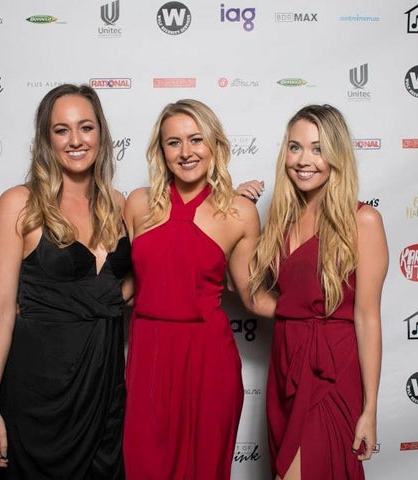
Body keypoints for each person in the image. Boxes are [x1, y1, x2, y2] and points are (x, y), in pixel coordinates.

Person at [0, 84, 131, 479]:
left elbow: (126, 284)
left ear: (101, 133)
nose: (76, 140)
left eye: (86, 127)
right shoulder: (20, 203)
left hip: (104, 387)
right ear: (46, 139)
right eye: (61, 130)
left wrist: (231, 199)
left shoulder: (118, 203)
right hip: (39, 392)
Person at [122, 99, 275, 479]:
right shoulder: (138, 205)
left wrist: (317, 311)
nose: (186, 152)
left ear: (215, 146)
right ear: (161, 150)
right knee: (143, 465)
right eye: (174, 142)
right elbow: (124, 286)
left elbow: (252, 296)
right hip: (149, 357)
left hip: (208, 362)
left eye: (196, 139)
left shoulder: (239, 212)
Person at [249, 104, 388, 480]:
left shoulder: (363, 221)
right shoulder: (281, 220)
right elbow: (246, 291)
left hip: (330, 370)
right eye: (295, 147)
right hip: (285, 363)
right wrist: (235, 207)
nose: (303, 159)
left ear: (337, 156)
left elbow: (367, 318)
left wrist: (370, 409)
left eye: (317, 148)